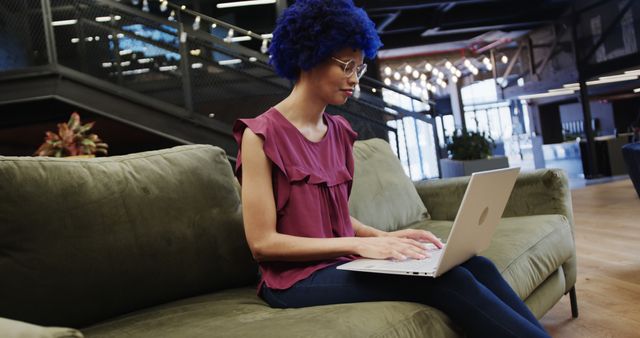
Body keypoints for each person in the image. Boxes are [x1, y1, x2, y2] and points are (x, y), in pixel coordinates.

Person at [232, 1, 550, 337]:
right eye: (346, 66)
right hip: (293, 280)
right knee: (449, 282)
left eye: (360, 68)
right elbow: (263, 243)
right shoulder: (260, 135)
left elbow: (330, 218)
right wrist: (355, 246)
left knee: (475, 264)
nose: (354, 79)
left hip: (342, 262)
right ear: (308, 56)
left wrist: (385, 238)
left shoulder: (338, 132)